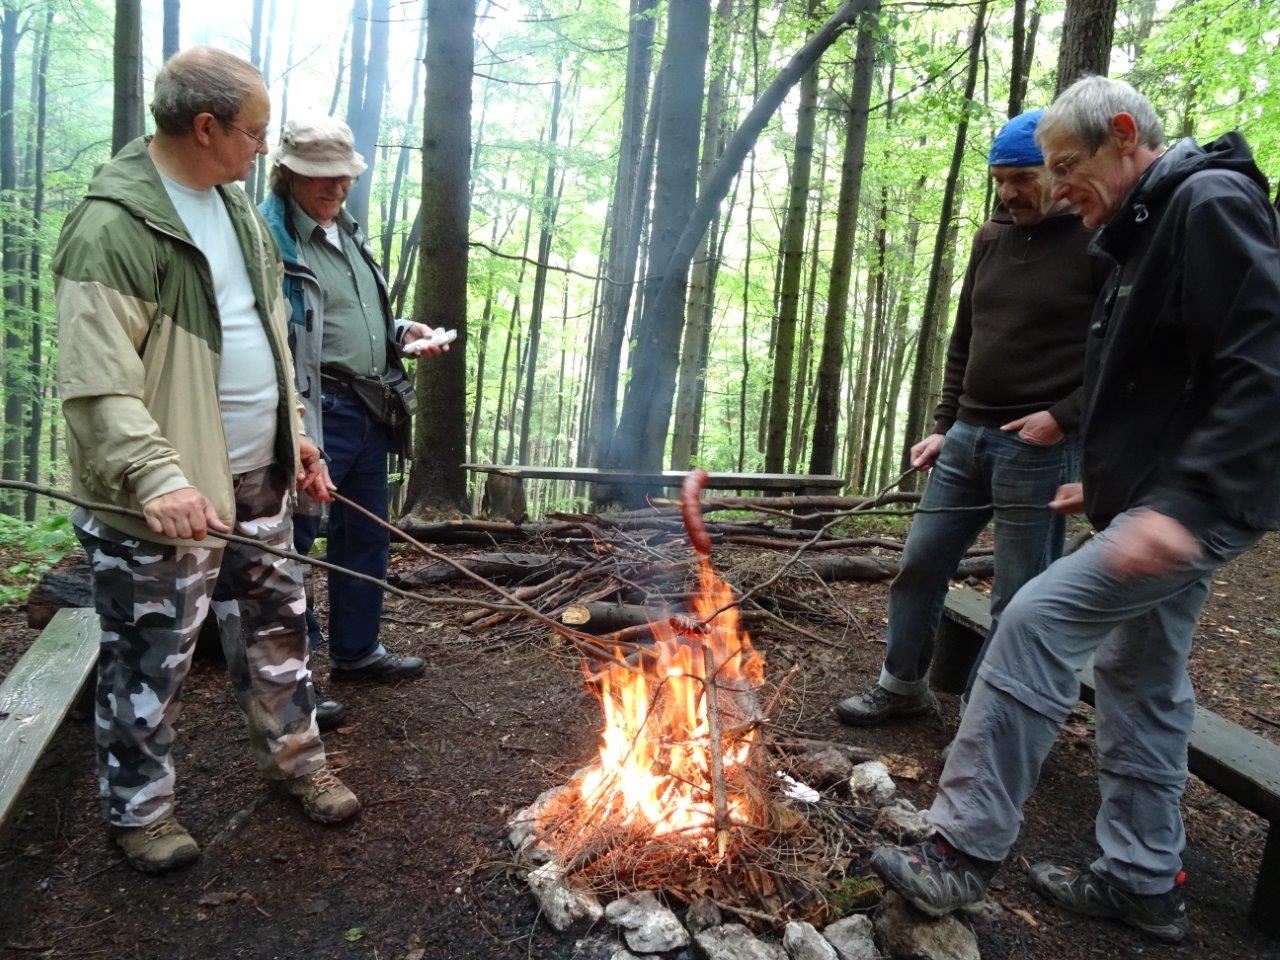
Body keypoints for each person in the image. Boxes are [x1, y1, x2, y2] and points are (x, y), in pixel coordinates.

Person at [870, 77, 1280, 943]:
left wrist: (1184, 501)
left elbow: (1263, 364)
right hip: (1158, 495)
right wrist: (1112, 479)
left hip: (1198, 503)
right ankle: (1142, 877)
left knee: (1033, 617)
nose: (1056, 189)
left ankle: (960, 852)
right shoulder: (1145, 227)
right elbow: (1166, 379)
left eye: (1066, 165)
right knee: (1142, 677)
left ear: (1124, 135)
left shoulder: (1206, 202)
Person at [53, 46, 359, 875]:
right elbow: (94, 384)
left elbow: (264, 337)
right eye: (254, 132)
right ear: (204, 126)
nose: (263, 148)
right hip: (169, 493)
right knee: (150, 659)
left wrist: (293, 430)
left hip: (258, 477)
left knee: (278, 632)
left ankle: (299, 764)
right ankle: (142, 813)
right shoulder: (114, 226)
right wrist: (157, 477)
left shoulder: (232, 210)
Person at [836, 108, 1104, 726]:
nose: (1010, 192)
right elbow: (965, 339)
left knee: (1018, 596)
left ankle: (986, 722)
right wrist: (942, 423)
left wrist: (1063, 417)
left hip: (1037, 450)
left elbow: (1118, 352)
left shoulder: (1097, 243)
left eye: (1024, 178)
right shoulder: (990, 239)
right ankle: (901, 687)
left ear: (1058, 174)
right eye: (1000, 179)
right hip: (965, 439)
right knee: (919, 564)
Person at [259, 116, 445, 725]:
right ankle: (293, 683)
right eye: (320, 176)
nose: (335, 187)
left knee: (366, 534)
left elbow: (349, 319)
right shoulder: (270, 238)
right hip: (315, 407)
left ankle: (357, 651)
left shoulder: (347, 232)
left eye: (343, 175)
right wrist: (295, 422)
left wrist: (400, 334)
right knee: (294, 540)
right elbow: (271, 332)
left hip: (368, 405)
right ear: (288, 173)